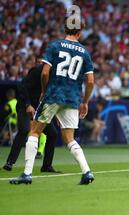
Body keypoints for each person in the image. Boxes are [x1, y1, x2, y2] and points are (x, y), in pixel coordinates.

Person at [10, 17, 95, 185]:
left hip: (54, 94)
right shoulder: (85, 52)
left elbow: (44, 73)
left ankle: (27, 174)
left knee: (34, 130)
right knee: (69, 138)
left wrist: (44, 90)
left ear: (65, 30)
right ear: (79, 32)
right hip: (72, 98)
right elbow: (90, 81)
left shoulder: (55, 46)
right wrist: (85, 102)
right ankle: (87, 172)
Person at [3, 63, 61, 173]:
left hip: (39, 108)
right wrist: (28, 105)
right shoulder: (37, 71)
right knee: (24, 130)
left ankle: (46, 166)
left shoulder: (55, 75)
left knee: (53, 134)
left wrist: (57, 114)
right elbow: (22, 87)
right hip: (24, 105)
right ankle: (9, 162)